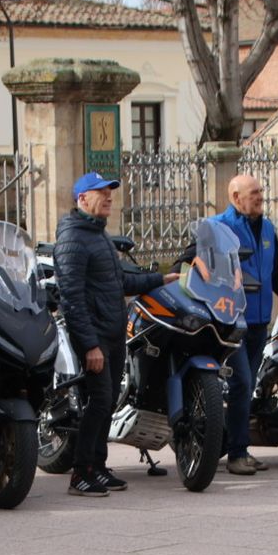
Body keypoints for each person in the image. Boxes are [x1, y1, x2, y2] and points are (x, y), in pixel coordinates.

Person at [53, 173, 176, 497]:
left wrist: (161, 280)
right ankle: (80, 473)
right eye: (101, 193)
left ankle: (98, 466)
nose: (109, 197)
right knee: (99, 401)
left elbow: (120, 283)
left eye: (110, 192)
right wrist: (89, 344)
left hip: (111, 333)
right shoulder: (73, 239)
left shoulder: (99, 235)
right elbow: (72, 298)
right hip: (93, 336)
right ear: (82, 199)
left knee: (107, 402)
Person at [210, 174, 278, 476]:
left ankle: (232, 445)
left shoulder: (267, 228)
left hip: (259, 323)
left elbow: (277, 272)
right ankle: (237, 453)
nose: (260, 197)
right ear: (235, 197)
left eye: (261, 192)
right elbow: (194, 261)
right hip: (230, 323)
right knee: (241, 382)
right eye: (254, 193)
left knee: (245, 386)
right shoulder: (219, 227)